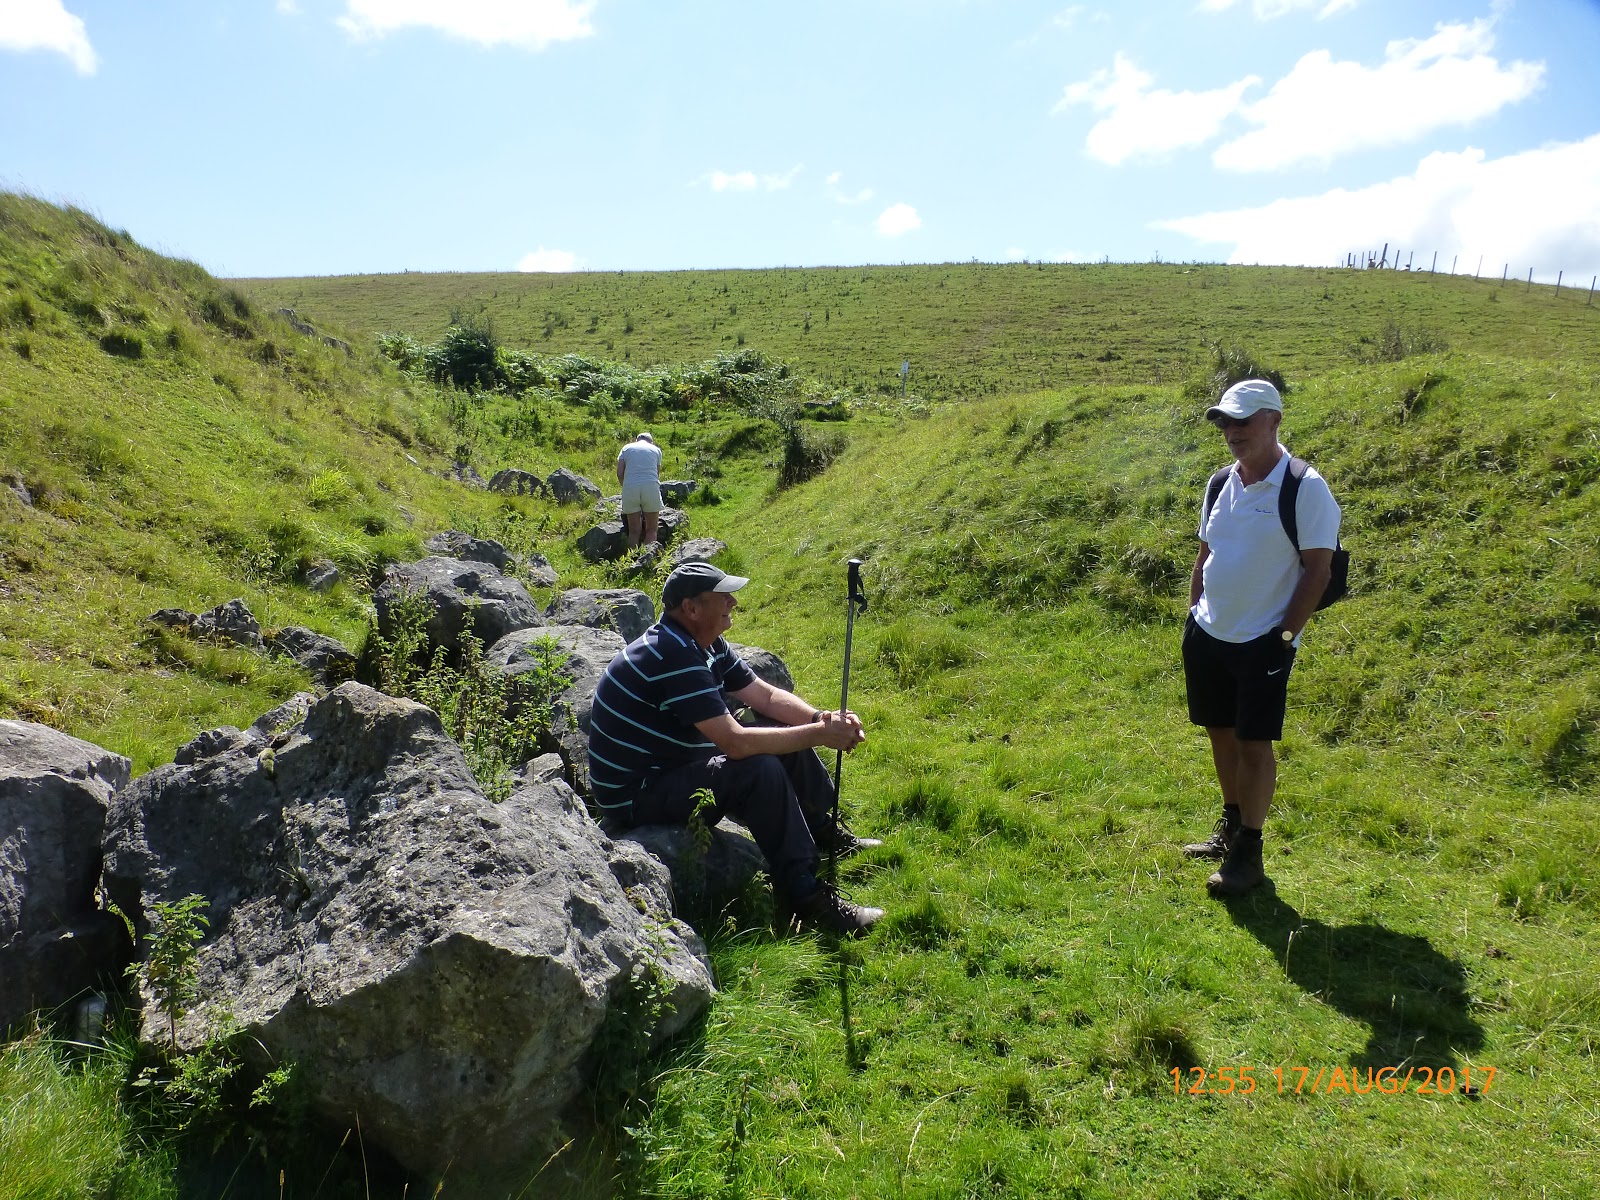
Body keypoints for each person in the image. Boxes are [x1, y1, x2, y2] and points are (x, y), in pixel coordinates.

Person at [587, 562, 885, 935]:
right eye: (722, 596)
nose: (733, 602)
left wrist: (820, 720)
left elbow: (764, 694)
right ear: (691, 608)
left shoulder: (700, 641)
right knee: (759, 768)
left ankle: (823, 832)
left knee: (781, 733)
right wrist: (819, 735)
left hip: (668, 765)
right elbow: (736, 742)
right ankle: (807, 898)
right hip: (635, 794)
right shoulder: (673, 655)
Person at [1181, 378, 1340, 897]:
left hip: (1262, 641)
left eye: (1242, 421)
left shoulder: (1305, 487)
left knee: (1254, 744)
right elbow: (1206, 552)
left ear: (1274, 420)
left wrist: (1286, 636)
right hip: (1209, 633)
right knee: (1220, 732)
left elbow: (1318, 570)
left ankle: (1250, 850)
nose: (1231, 432)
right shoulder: (1220, 482)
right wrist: (1192, 613)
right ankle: (1230, 825)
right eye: (1225, 421)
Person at [616, 431, 664, 549]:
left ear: (637, 440)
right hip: (650, 487)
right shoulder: (656, 450)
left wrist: (626, 486)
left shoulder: (626, 448)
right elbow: (656, 474)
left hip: (630, 487)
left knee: (634, 532)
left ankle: (631, 562)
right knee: (652, 530)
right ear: (651, 442)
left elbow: (620, 473)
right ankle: (647, 561)